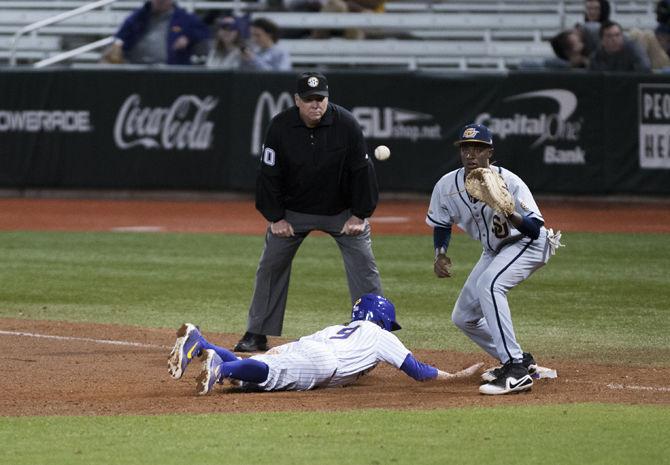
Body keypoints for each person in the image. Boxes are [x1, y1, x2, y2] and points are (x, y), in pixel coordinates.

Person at [233, 71, 383, 352]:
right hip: (293, 211)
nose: (316, 104)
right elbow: (268, 174)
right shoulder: (280, 126)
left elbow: (362, 172)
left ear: (328, 99)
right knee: (270, 265)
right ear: (297, 101)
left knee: (364, 265)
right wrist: (276, 217)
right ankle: (256, 333)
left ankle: (376, 332)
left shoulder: (346, 124)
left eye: (321, 99)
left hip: (341, 210)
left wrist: (360, 214)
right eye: (309, 99)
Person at [426, 123, 562, 396]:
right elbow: (441, 223)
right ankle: (520, 358)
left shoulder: (509, 182)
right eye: (465, 148)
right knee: (463, 317)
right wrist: (440, 254)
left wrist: (508, 211)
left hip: (528, 244)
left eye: (478, 148)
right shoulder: (446, 186)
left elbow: (534, 229)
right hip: (495, 251)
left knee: (489, 285)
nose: (470, 154)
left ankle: (515, 370)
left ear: (490, 152)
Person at [167, 294, 483, 394]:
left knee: (260, 371)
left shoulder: (342, 327)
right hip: (322, 363)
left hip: (305, 347)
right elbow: (418, 370)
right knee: (267, 375)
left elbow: (293, 349)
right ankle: (220, 368)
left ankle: (203, 343)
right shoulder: (382, 336)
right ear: (382, 319)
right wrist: (455, 377)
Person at [102, 0, 210, 65]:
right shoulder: (138, 17)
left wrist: (188, 37)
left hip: (171, 72)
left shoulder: (184, 18)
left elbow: (205, 33)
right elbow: (120, 38)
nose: (160, 2)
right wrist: (116, 48)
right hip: (138, 70)